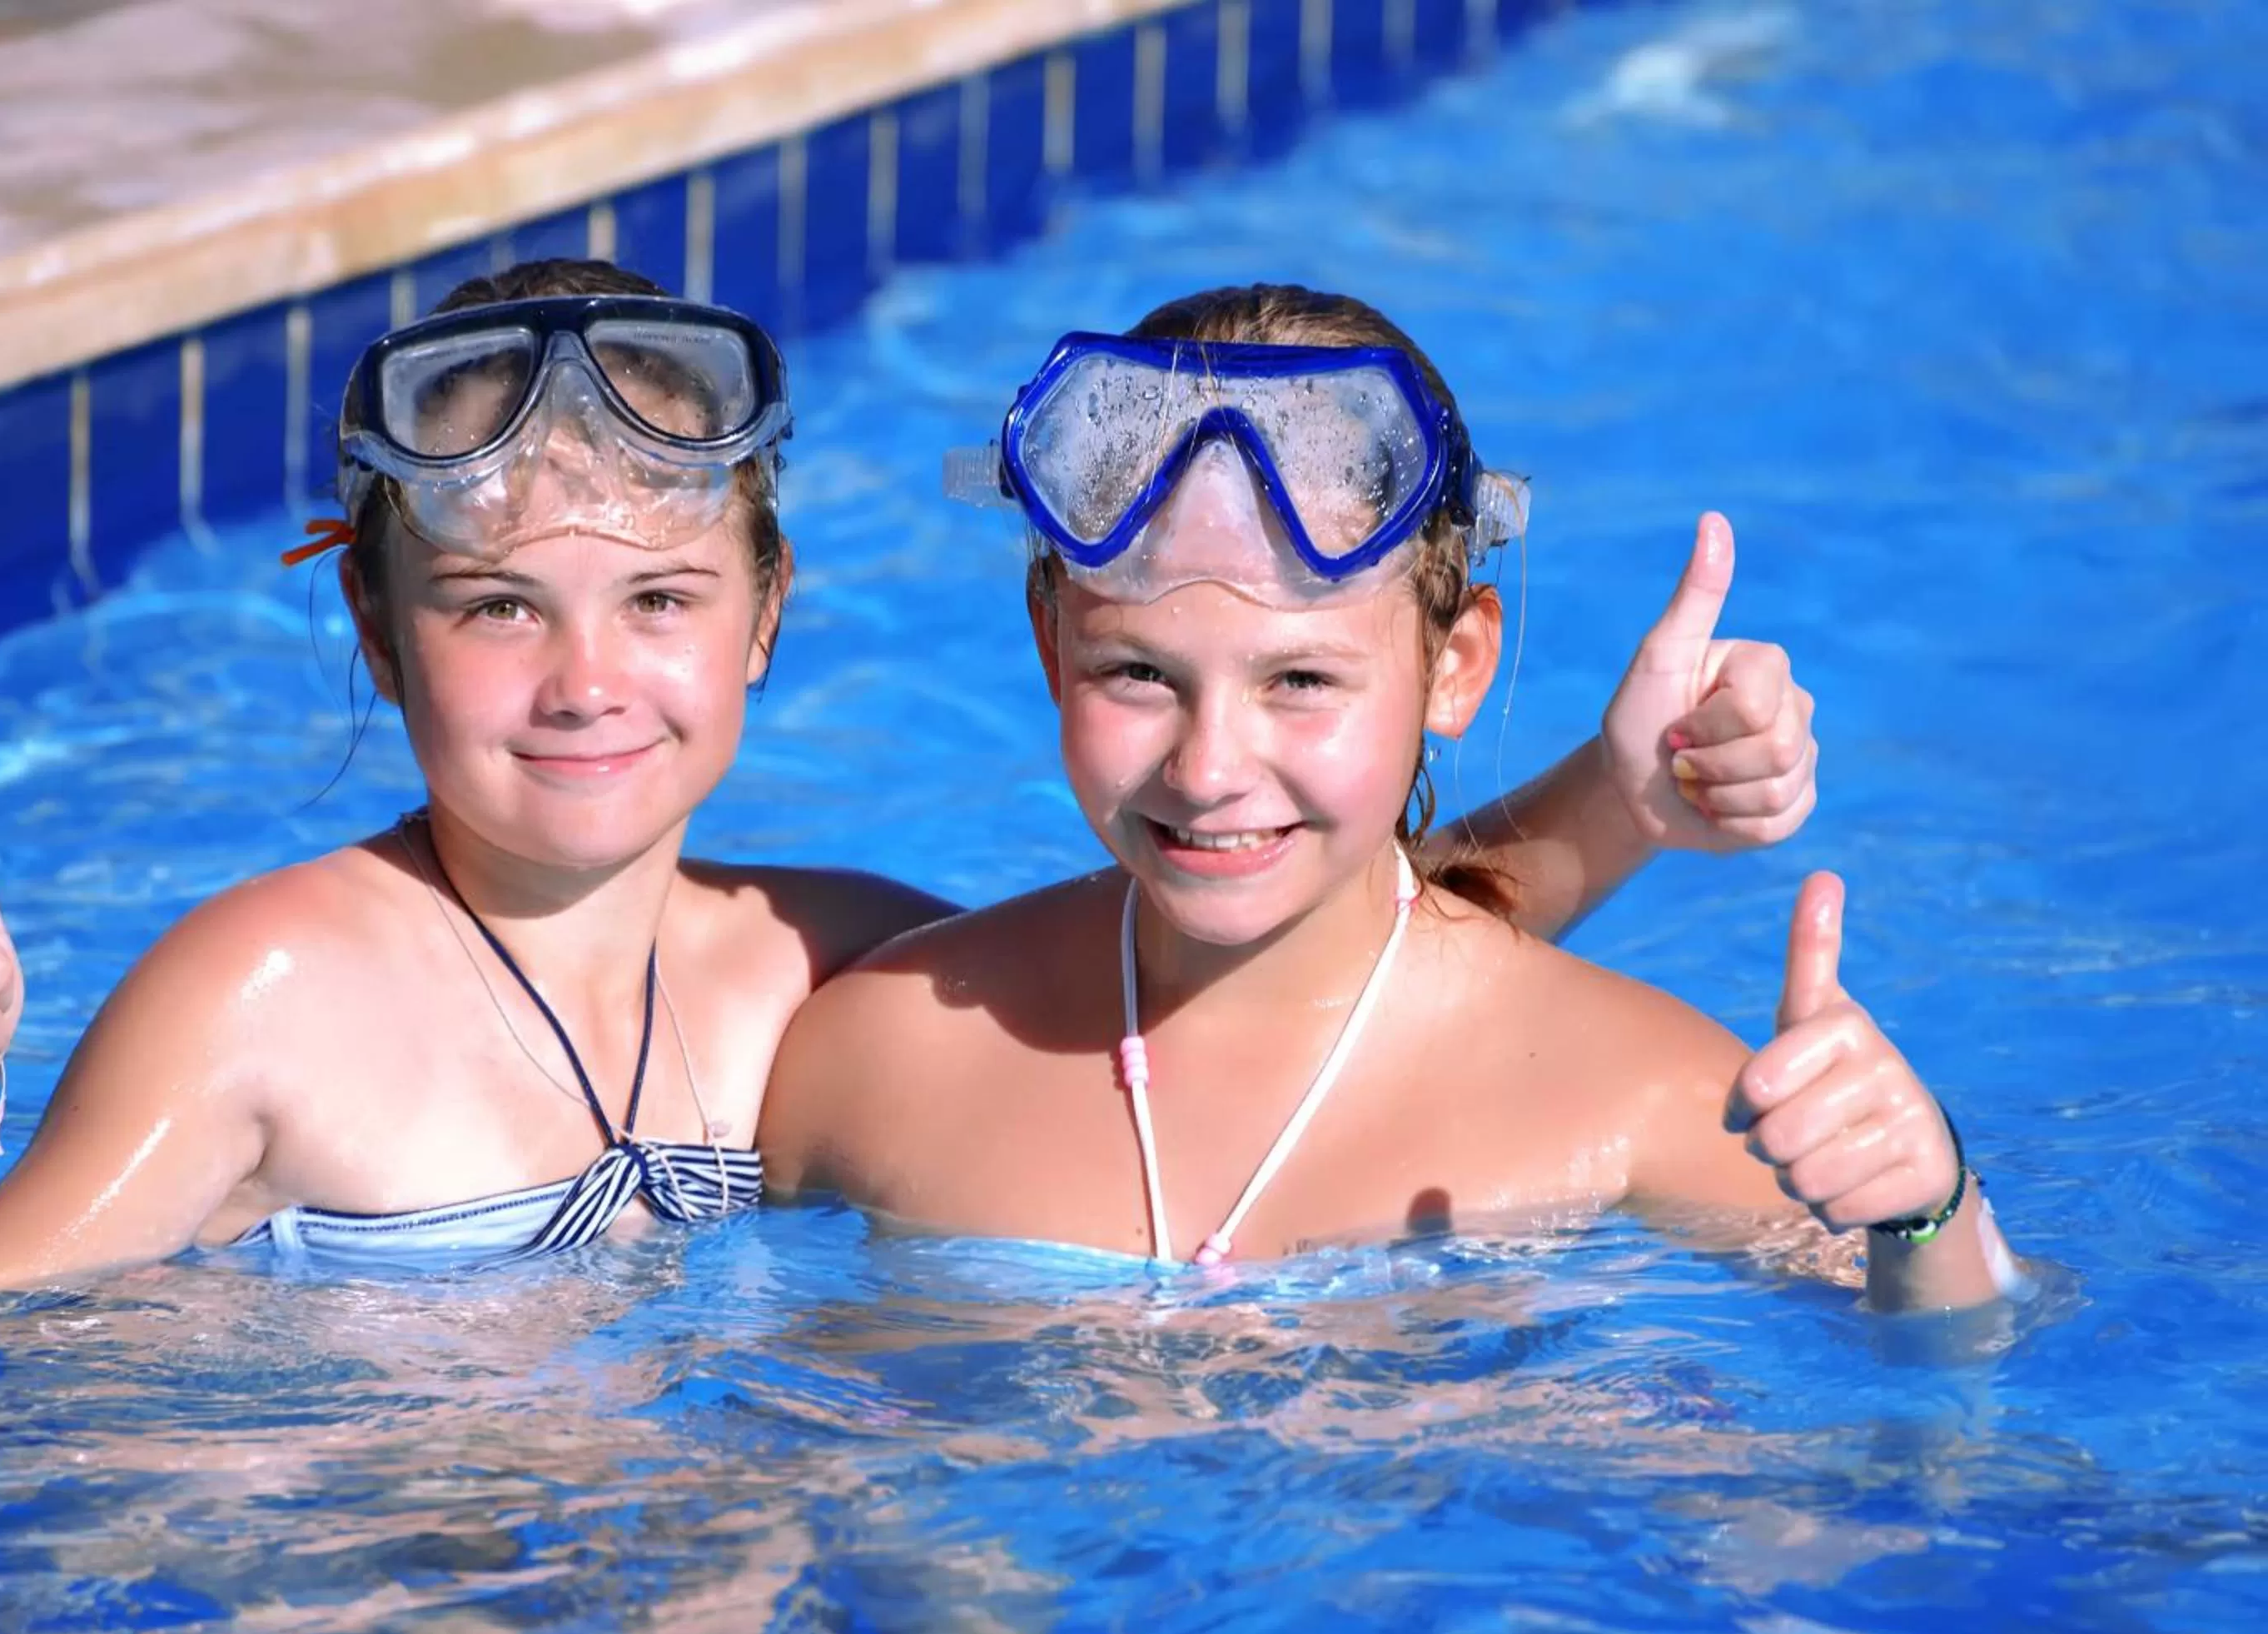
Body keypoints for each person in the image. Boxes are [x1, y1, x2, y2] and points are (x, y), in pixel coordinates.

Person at [0, 261, 1820, 1319]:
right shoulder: (273, 992)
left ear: (767, 616)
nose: (587, 679)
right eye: (500, 606)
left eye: (658, 596)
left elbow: (1276, 956)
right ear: (383, 637)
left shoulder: (819, 966)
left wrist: (1615, 806)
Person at [758, 282, 2021, 1311]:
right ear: (1050, 647)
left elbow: (1950, 1431)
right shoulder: (881, 1062)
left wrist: (1931, 1208)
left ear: (1454, 666)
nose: (1209, 768)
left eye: (1301, 679)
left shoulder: (1640, 1103)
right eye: (1139, 672)